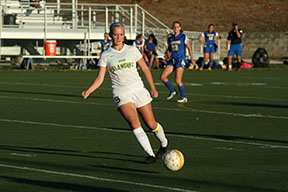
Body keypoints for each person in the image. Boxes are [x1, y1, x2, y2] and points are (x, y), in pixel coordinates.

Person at [82, 23, 168, 164]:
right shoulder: (106, 55)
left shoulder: (132, 50)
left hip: (138, 89)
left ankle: (164, 144)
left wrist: (153, 88)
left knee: (151, 124)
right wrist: (89, 91)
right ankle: (150, 154)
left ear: (124, 36)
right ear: (110, 35)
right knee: (134, 122)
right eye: (115, 34)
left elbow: (145, 69)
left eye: (121, 34)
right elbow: (100, 78)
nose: (118, 37)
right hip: (121, 93)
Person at [160, 21, 196, 103]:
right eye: (174, 27)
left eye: (177, 27)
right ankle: (173, 91)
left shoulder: (183, 37)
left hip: (180, 60)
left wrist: (192, 59)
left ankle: (184, 97)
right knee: (163, 77)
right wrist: (167, 54)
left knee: (177, 80)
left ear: (180, 28)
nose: (176, 28)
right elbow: (169, 49)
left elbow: (189, 48)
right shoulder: (170, 38)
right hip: (172, 60)